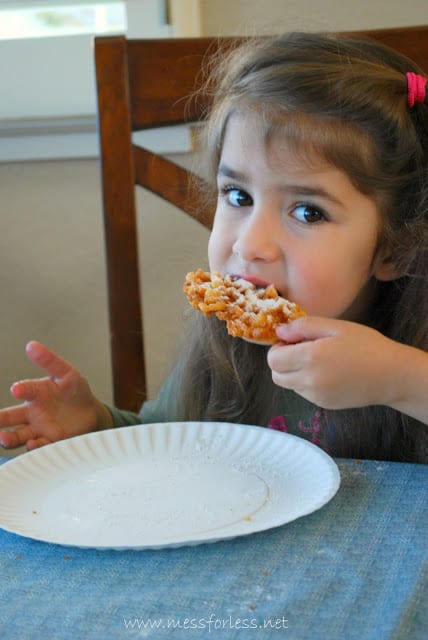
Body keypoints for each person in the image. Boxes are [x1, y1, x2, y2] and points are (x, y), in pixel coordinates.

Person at [0, 32, 427, 462]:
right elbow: (167, 439)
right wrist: (97, 425)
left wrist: (399, 378)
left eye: (308, 212)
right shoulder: (220, 351)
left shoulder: (411, 349)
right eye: (238, 196)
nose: (250, 244)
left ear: (393, 250)